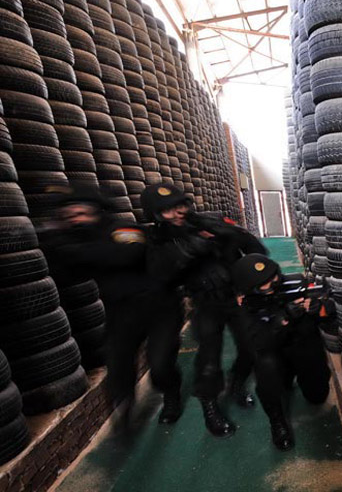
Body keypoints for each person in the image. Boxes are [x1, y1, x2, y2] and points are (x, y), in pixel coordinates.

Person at [40, 184, 184, 424]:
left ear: (96, 211)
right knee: (118, 367)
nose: (76, 219)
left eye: (81, 213)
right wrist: (54, 244)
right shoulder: (80, 241)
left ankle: (171, 394)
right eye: (70, 215)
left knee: (160, 366)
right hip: (121, 313)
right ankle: (124, 415)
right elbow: (67, 275)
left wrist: (73, 249)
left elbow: (128, 255)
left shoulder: (124, 229)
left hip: (161, 308)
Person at [142, 183, 265, 437]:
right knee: (209, 360)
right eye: (168, 210)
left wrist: (248, 278)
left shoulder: (211, 221)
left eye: (180, 205)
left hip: (237, 297)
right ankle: (210, 407)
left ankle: (237, 384)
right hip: (205, 303)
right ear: (156, 215)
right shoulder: (158, 241)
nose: (178, 212)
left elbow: (254, 247)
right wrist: (188, 250)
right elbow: (160, 276)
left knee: (252, 348)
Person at [231, 254, 331, 450]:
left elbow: (329, 306)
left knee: (317, 397)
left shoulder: (297, 283)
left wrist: (320, 308)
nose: (272, 283)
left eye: (273, 277)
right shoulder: (246, 305)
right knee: (266, 367)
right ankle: (277, 421)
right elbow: (258, 342)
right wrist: (282, 319)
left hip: (303, 347)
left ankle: (300, 376)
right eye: (264, 284)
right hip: (274, 352)